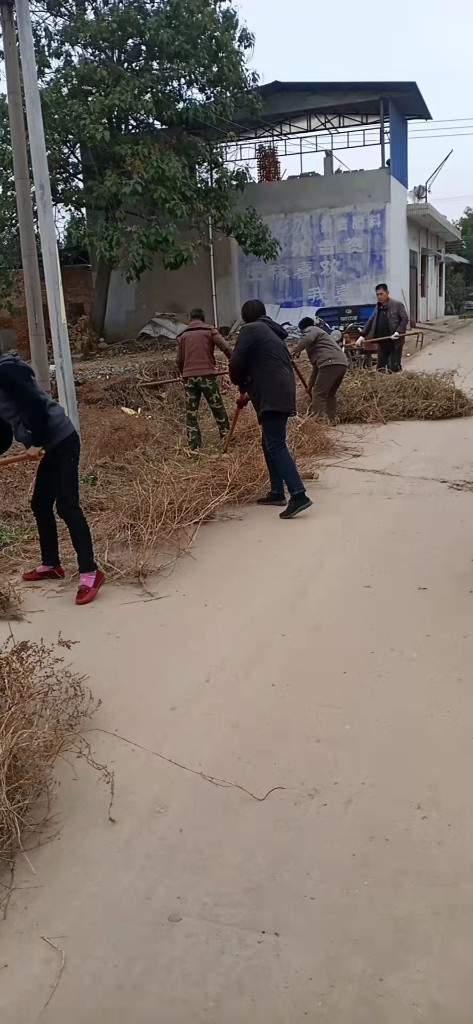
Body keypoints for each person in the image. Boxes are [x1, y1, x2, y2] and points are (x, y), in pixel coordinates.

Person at [0, 350, 103, 605]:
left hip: (62, 440)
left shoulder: (6, 371)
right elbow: (3, 426)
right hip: (50, 443)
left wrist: (36, 442)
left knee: (67, 507)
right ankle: (51, 564)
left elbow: (36, 405)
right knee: (40, 504)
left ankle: (90, 572)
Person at [229, 299, 312, 520]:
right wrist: (247, 388)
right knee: (268, 442)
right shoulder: (273, 331)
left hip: (271, 393)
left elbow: (236, 362)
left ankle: (298, 494)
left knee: (275, 444)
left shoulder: (251, 329)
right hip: (282, 389)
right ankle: (277, 492)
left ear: (245, 316)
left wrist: (239, 382)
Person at [176, 308, 232, 450]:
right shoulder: (209, 331)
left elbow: (179, 360)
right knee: (218, 408)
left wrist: (184, 373)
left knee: (191, 413)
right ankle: (227, 439)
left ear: (190, 319)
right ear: (203, 319)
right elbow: (225, 347)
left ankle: (194, 446)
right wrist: (234, 360)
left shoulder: (183, 336)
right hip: (207, 376)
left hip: (189, 377)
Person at [293, 317, 348, 421]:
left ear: (303, 329)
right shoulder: (322, 338)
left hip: (330, 363)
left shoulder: (312, 329)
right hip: (341, 364)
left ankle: (320, 421)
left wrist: (293, 351)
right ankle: (331, 419)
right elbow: (316, 370)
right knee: (330, 393)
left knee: (318, 393)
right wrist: (309, 387)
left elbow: (307, 339)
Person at [359, 283, 408, 372]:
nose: (379, 297)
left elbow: (405, 319)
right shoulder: (378, 306)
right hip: (382, 341)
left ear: (387, 293)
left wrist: (398, 332)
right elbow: (371, 320)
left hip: (394, 341)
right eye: (377, 294)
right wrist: (362, 335)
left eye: (381, 294)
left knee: (394, 366)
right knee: (381, 367)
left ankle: (396, 378)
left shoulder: (397, 305)